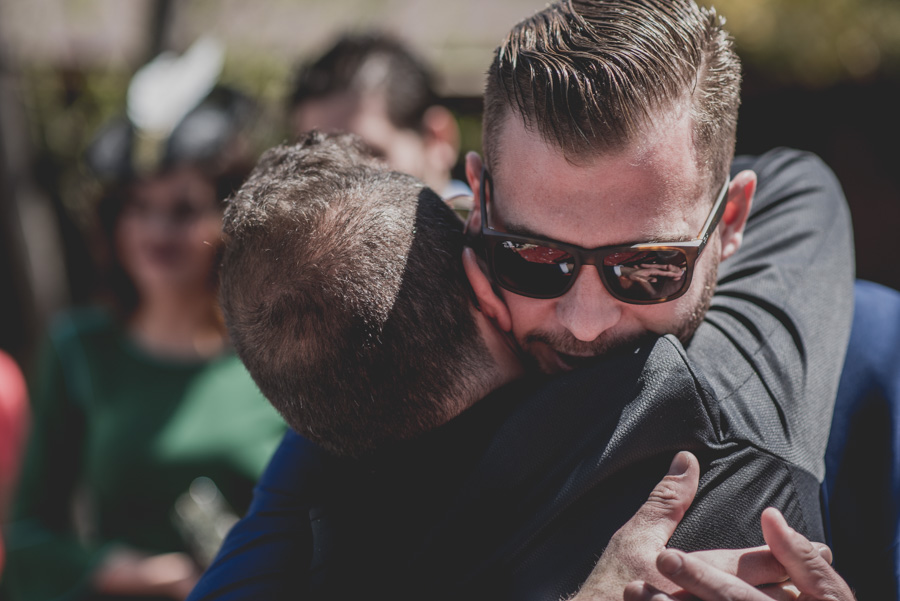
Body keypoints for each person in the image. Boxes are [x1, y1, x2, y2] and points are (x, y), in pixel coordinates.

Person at [192, 0, 854, 598]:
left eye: (649, 267)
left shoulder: (734, 398)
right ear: (478, 206)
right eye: (537, 259)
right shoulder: (359, 414)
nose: (587, 322)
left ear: (732, 222)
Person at [2, 45, 286, 601]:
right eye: (137, 205)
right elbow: (27, 543)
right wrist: (125, 572)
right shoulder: (81, 350)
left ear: (231, 219)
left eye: (181, 210)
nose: (156, 231)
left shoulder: (278, 351)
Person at [288, 32, 468, 199]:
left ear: (437, 139)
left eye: (369, 154)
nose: (341, 182)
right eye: (317, 162)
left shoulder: (489, 232)